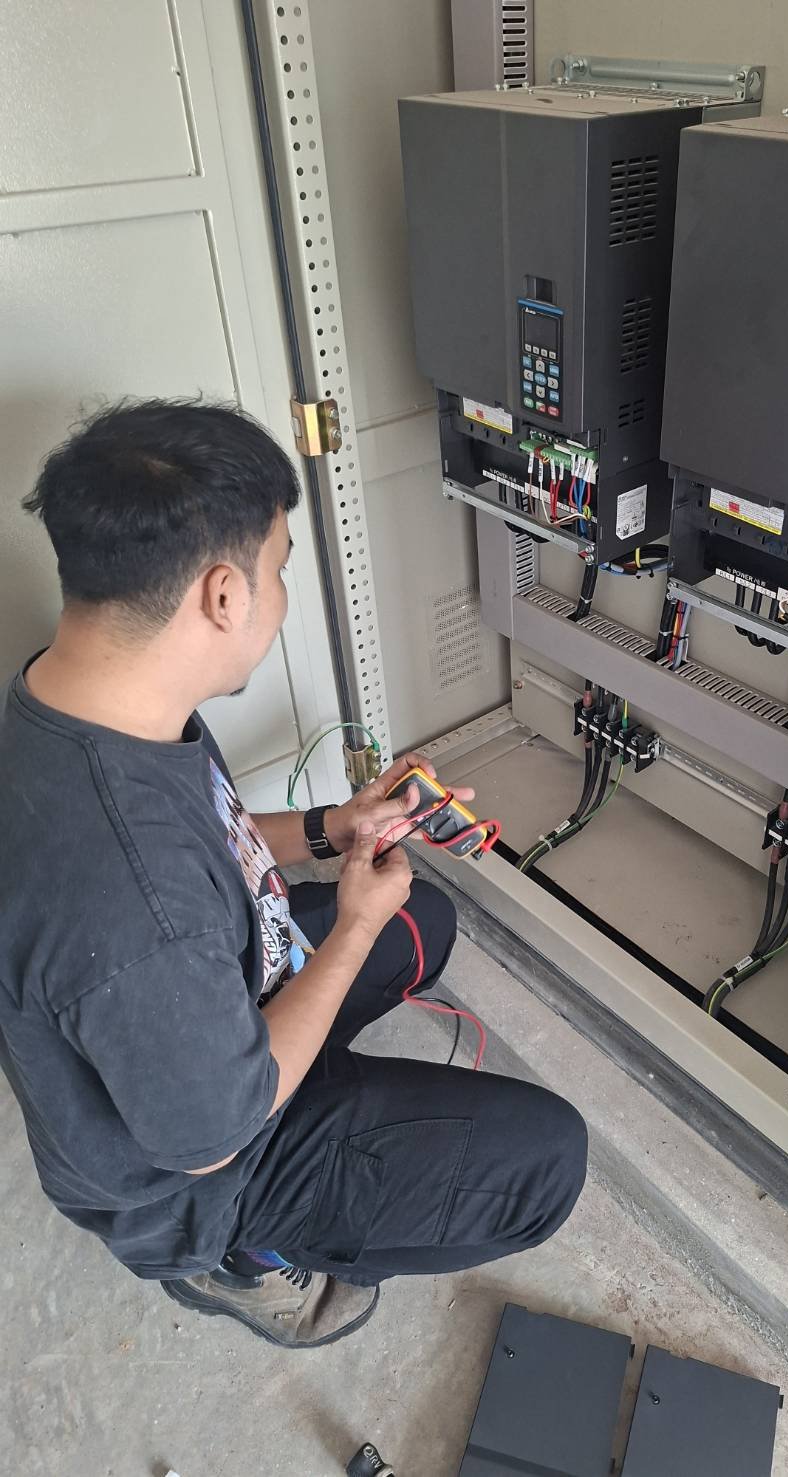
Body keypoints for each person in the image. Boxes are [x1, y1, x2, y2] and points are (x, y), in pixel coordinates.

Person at [0, 400, 587, 1349]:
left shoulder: (80, 701)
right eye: (276, 570)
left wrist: (329, 828)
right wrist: (351, 928)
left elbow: (207, 834)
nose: (278, 597)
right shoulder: (129, 905)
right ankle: (245, 1257)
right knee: (547, 1164)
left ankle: (318, 1082)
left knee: (423, 924)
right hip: (195, 1176)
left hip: (201, 1011)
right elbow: (211, 1133)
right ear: (222, 595)